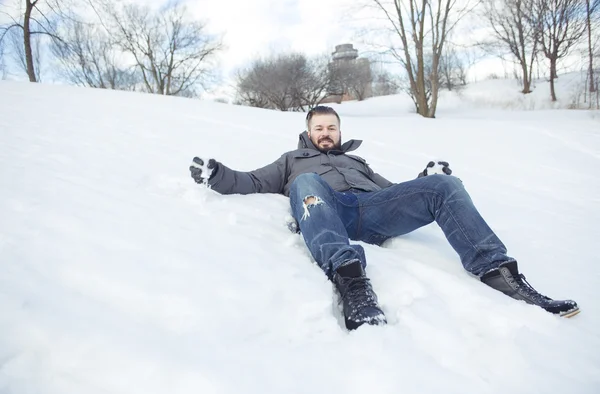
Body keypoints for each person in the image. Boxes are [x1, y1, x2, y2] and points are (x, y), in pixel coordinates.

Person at [189, 106, 579, 330]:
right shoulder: (293, 161)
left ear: (340, 131)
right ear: (307, 133)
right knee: (306, 182)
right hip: (328, 211)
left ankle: (500, 273)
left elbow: (397, 190)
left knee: (446, 185)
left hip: (372, 211)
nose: (325, 133)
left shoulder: (357, 160)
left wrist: (428, 182)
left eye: (331, 128)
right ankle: (352, 285)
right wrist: (219, 176)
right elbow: (254, 181)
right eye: (318, 128)